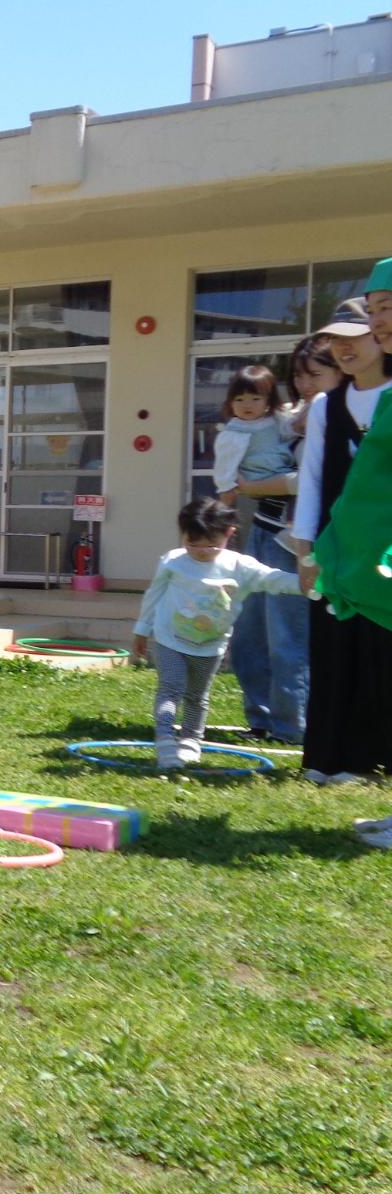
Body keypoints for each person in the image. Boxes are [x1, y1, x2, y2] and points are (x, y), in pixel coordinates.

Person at [300, 274, 392, 800]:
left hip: (381, 555)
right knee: (332, 649)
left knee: (377, 655)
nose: (344, 348)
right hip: (337, 552)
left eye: (353, 336)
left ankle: (365, 757)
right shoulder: (324, 406)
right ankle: (325, 755)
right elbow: (311, 478)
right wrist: (305, 548)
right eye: (335, 341)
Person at [131, 497, 302, 772]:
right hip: (169, 639)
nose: (200, 551)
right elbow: (154, 595)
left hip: (210, 645)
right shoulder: (174, 561)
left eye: (210, 544)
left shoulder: (240, 566)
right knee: (171, 687)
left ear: (229, 533)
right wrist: (142, 631)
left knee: (198, 696)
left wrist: (310, 583)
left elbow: (274, 579)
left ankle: (190, 741)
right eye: (192, 542)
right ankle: (164, 739)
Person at [228, 333, 337, 743]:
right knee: (249, 636)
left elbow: (314, 481)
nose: (305, 384)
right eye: (299, 374)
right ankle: (261, 718)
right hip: (265, 531)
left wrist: (255, 488)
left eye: (316, 374)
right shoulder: (290, 417)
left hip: (297, 542)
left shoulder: (343, 416)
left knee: (288, 641)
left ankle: (292, 728)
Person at [212, 364, 294, 534]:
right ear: (230, 403)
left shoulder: (275, 419)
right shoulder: (235, 430)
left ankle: (291, 531)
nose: (247, 405)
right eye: (239, 399)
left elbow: (291, 430)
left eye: (255, 399)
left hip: (281, 472)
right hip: (257, 477)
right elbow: (225, 463)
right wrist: (226, 490)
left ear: (268, 400)